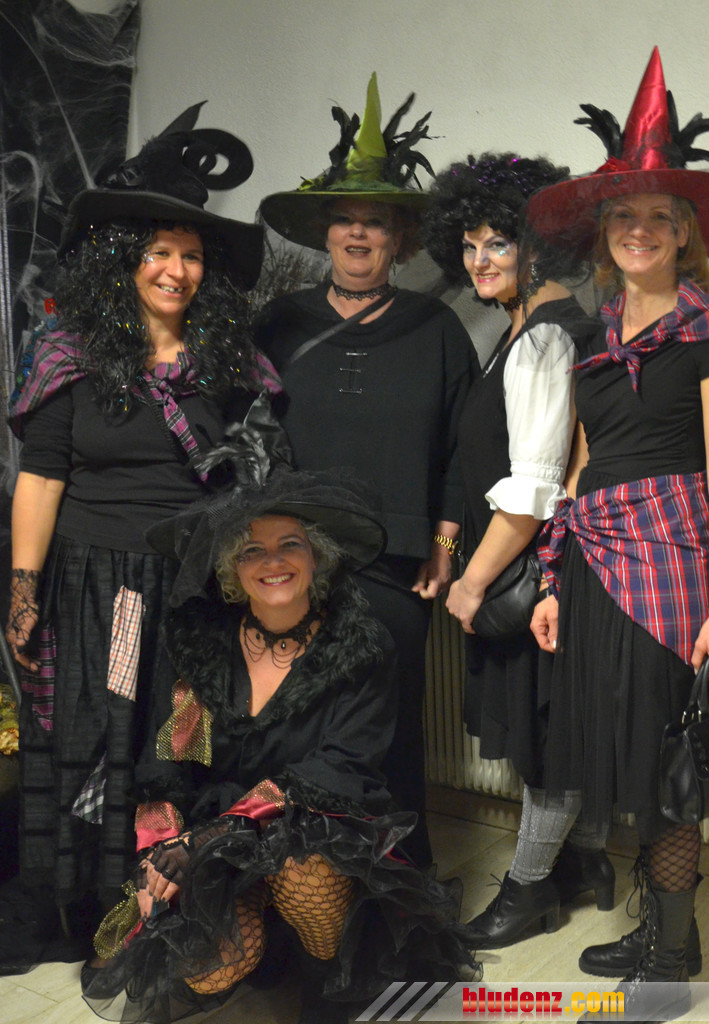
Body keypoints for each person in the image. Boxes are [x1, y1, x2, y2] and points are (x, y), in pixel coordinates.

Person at [4, 104, 285, 969]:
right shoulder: (72, 354)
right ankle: (91, 905)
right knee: (109, 731)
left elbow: (258, 476)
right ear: (124, 259)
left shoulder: (231, 364)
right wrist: (22, 590)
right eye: (159, 251)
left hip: (195, 588)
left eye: (191, 255)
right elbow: (41, 476)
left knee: (180, 734)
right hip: (110, 591)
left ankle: (167, 903)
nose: (176, 270)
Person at [526, 48, 709, 1019]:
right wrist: (551, 580)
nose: (638, 230)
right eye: (622, 215)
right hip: (593, 568)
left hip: (673, 576)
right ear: (605, 232)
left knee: (670, 768)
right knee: (626, 759)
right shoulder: (590, 336)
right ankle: (662, 930)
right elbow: (578, 465)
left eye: (658, 217)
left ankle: (671, 960)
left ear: (683, 233)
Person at [80, 467, 478, 1024]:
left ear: (317, 556)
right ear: (231, 568)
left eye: (290, 544)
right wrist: (160, 853)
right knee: (208, 966)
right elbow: (171, 757)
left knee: (307, 868)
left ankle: (324, 985)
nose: (272, 561)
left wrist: (212, 837)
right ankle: (270, 949)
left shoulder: (361, 647)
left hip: (321, 823)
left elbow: (340, 768)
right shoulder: (199, 644)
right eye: (252, 550)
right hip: (216, 838)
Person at [258, 74, 478, 866]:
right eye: (345, 218)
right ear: (325, 233)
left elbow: (466, 446)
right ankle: (304, 880)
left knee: (390, 726)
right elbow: (245, 438)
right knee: (293, 721)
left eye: (376, 222)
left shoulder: (437, 328)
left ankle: (400, 885)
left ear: (400, 240)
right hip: (288, 562)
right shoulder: (279, 323)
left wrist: (445, 543)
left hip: (394, 561)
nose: (358, 233)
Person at [421, 153, 613, 948]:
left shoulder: (545, 338)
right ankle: (584, 866)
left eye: (497, 243)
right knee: (558, 722)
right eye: (469, 245)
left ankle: (528, 891)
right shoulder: (527, 329)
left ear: (538, 245)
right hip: (549, 567)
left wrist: (470, 583)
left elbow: (535, 490)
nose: (479, 260)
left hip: (543, 571)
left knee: (548, 734)